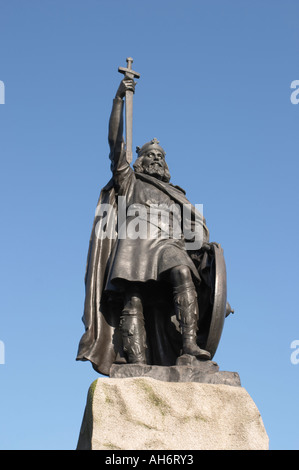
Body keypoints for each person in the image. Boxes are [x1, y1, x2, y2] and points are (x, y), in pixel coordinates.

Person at [77, 78, 216, 375]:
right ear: (139, 160)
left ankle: (189, 346)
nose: (155, 159)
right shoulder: (130, 180)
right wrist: (119, 100)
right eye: (150, 155)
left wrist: (204, 261)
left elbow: (195, 235)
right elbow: (116, 144)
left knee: (182, 273)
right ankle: (137, 364)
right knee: (133, 298)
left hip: (169, 246)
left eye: (160, 156)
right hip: (136, 247)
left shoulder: (178, 194)